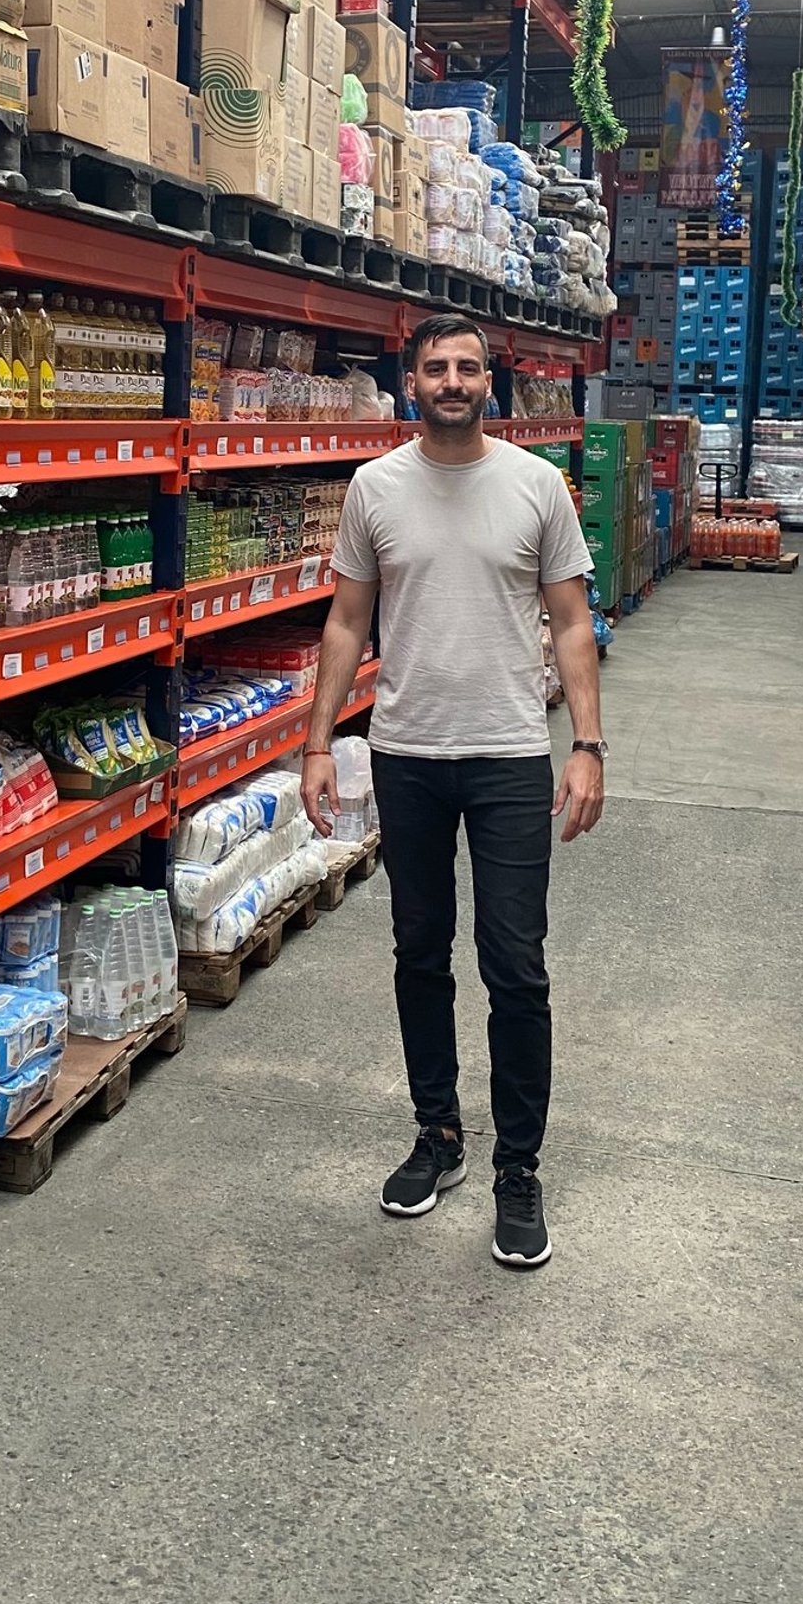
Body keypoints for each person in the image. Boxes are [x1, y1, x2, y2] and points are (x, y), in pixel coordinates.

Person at [301, 314, 606, 1270]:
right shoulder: (374, 489)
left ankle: (519, 1167)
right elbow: (348, 624)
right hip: (407, 752)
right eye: (436, 367)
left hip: (511, 754)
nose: (453, 380)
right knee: (417, 954)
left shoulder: (534, 486)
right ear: (410, 380)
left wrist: (588, 744)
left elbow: (571, 623)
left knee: (515, 964)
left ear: (491, 383)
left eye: (469, 367)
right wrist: (319, 742)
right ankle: (438, 1135)